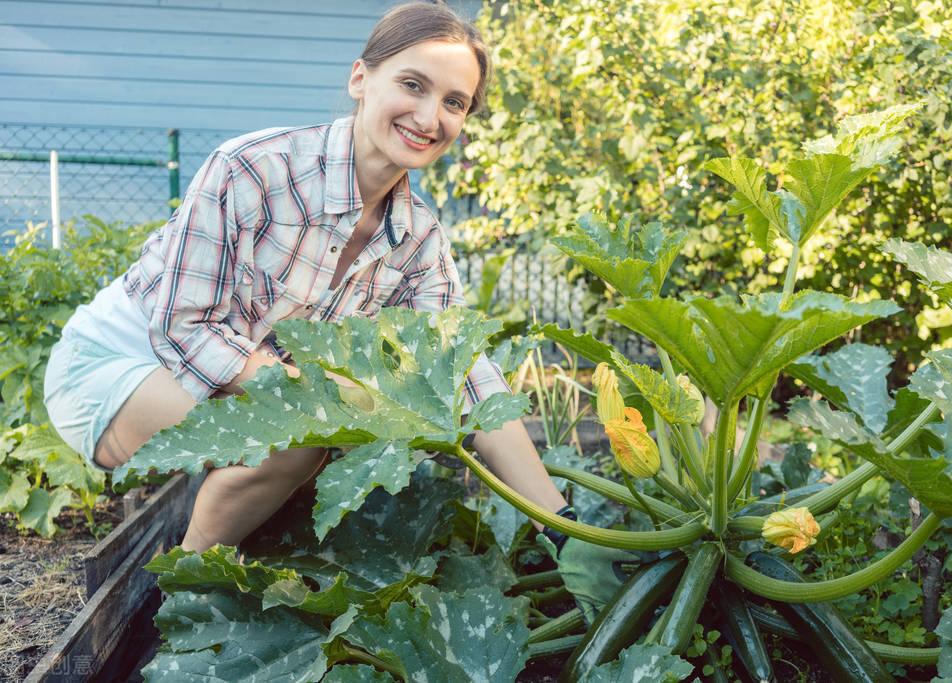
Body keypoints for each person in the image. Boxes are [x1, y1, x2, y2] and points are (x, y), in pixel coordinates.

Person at [43, 1, 576, 554]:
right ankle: (192, 579)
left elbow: (464, 375)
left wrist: (559, 522)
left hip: (223, 390)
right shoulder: (252, 168)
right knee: (303, 436)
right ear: (360, 78)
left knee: (317, 433)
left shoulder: (419, 238)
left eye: (454, 102)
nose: (428, 116)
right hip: (118, 367)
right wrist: (330, 396)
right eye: (413, 84)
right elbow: (183, 325)